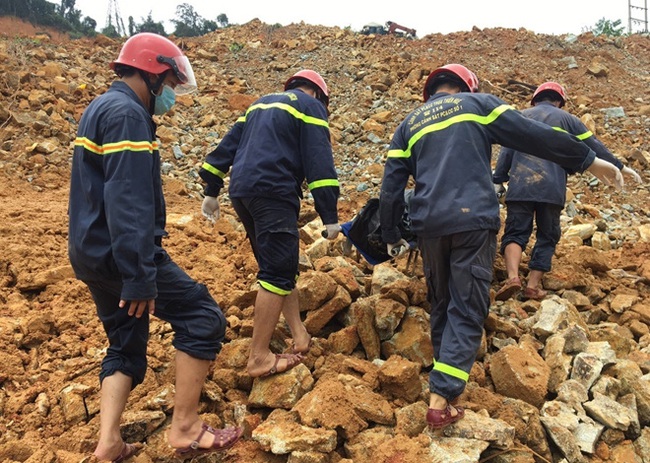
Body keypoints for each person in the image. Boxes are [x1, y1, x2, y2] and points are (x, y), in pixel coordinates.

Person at [378, 64, 624, 430]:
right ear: (467, 87)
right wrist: (589, 160)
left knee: (443, 303)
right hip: (473, 220)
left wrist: (390, 234)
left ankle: (445, 388)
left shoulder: (409, 124)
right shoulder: (478, 105)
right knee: (468, 306)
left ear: (431, 92)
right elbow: (536, 135)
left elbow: (391, 187)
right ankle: (440, 399)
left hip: (429, 226)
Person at [68, 32, 242, 462]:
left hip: (91, 252)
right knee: (203, 317)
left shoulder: (100, 106)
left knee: (125, 344)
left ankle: (109, 443)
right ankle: (185, 429)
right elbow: (128, 201)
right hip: (120, 254)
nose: (170, 94)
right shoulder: (127, 114)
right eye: (169, 82)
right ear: (154, 73)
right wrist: (139, 275)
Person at [199, 70, 340, 378]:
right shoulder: (310, 106)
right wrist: (329, 216)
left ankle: (299, 334)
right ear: (319, 94)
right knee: (277, 270)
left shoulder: (259, 104)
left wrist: (212, 190)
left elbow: (226, 148)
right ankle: (259, 356)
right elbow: (320, 163)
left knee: (278, 265)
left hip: (242, 192)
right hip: (274, 191)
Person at [493, 82, 642, 301]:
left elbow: (507, 150)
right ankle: (532, 286)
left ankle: (513, 278)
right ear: (559, 102)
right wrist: (619, 166)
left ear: (535, 99)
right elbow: (594, 146)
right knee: (548, 235)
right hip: (551, 189)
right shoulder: (569, 120)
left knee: (516, 233)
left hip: (521, 185)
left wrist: (498, 178)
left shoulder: (521, 116)